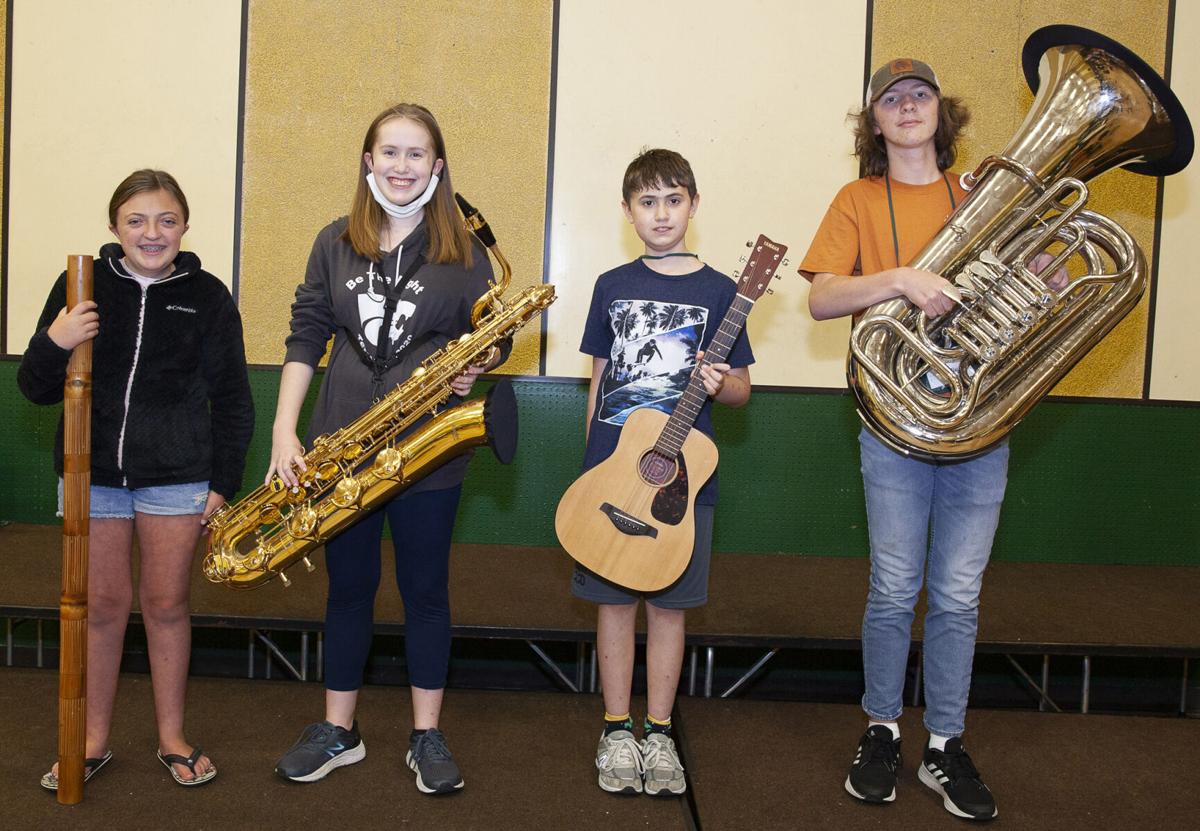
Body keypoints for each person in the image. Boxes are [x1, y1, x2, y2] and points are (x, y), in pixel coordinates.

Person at [800, 59, 1067, 821]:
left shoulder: (982, 192)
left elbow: (1035, 277)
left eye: (920, 95)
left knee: (956, 594)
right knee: (893, 586)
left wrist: (1044, 279)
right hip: (894, 418)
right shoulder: (857, 198)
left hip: (979, 416)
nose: (908, 106)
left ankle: (945, 742)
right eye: (892, 99)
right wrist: (900, 279)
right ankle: (882, 729)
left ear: (941, 113)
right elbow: (822, 297)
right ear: (875, 122)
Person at [268, 103, 506, 795]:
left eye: (416, 153)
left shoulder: (467, 251)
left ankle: (426, 733)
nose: (402, 166)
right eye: (390, 152)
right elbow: (305, 335)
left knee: (425, 591)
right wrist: (285, 429)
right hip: (342, 447)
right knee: (348, 590)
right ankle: (337, 729)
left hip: (429, 447)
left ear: (437, 165)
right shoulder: (333, 241)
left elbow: (491, 336)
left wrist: (479, 361)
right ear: (368, 161)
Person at [19, 169, 254, 789]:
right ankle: (91, 741)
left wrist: (222, 483)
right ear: (114, 227)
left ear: (184, 226)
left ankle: (172, 738)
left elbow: (234, 400)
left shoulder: (207, 296)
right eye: (137, 220)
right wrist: (56, 339)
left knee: (166, 604)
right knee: (100, 607)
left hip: (178, 478)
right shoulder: (81, 286)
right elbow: (35, 387)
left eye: (166, 220)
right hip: (91, 474)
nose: (153, 233)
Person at [573, 148, 753, 796]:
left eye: (673, 200)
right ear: (628, 212)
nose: (661, 213)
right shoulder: (610, 285)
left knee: (671, 610)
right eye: (647, 202)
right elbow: (598, 381)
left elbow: (741, 391)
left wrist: (721, 382)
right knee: (614, 606)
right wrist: (591, 470)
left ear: (693, 205)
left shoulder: (721, 291)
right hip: (613, 475)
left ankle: (659, 730)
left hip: (683, 481)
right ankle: (616, 728)